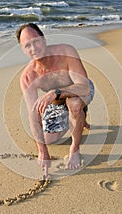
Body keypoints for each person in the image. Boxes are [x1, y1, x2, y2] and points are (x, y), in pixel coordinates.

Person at [16, 23, 94, 170]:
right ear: (22, 49)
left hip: (79, 91)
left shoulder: (66, 51)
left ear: (44, 39)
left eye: (36, 41)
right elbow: (33, 115)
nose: (33, 49)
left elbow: (84, 87)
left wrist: (55, 92)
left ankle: (75, 149)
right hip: (57, 102)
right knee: (48, 139)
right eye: (27, 46)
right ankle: (79, 119)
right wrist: (42, 151)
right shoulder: (27, 77)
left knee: (75, 104)